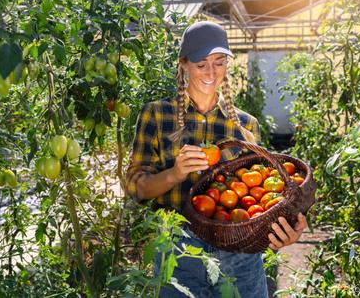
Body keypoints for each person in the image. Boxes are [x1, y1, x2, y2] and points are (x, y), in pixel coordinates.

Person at [124, 21, 308, 297]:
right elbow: (136, 189)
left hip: (240, 255)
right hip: (178, 252)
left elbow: (260, 197)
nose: (211, 72)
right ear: (184, 64)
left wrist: (288, 226)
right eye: (201, 64)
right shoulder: (157, 115)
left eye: (219, 62)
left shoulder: (246, 126)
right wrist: (174, 174)